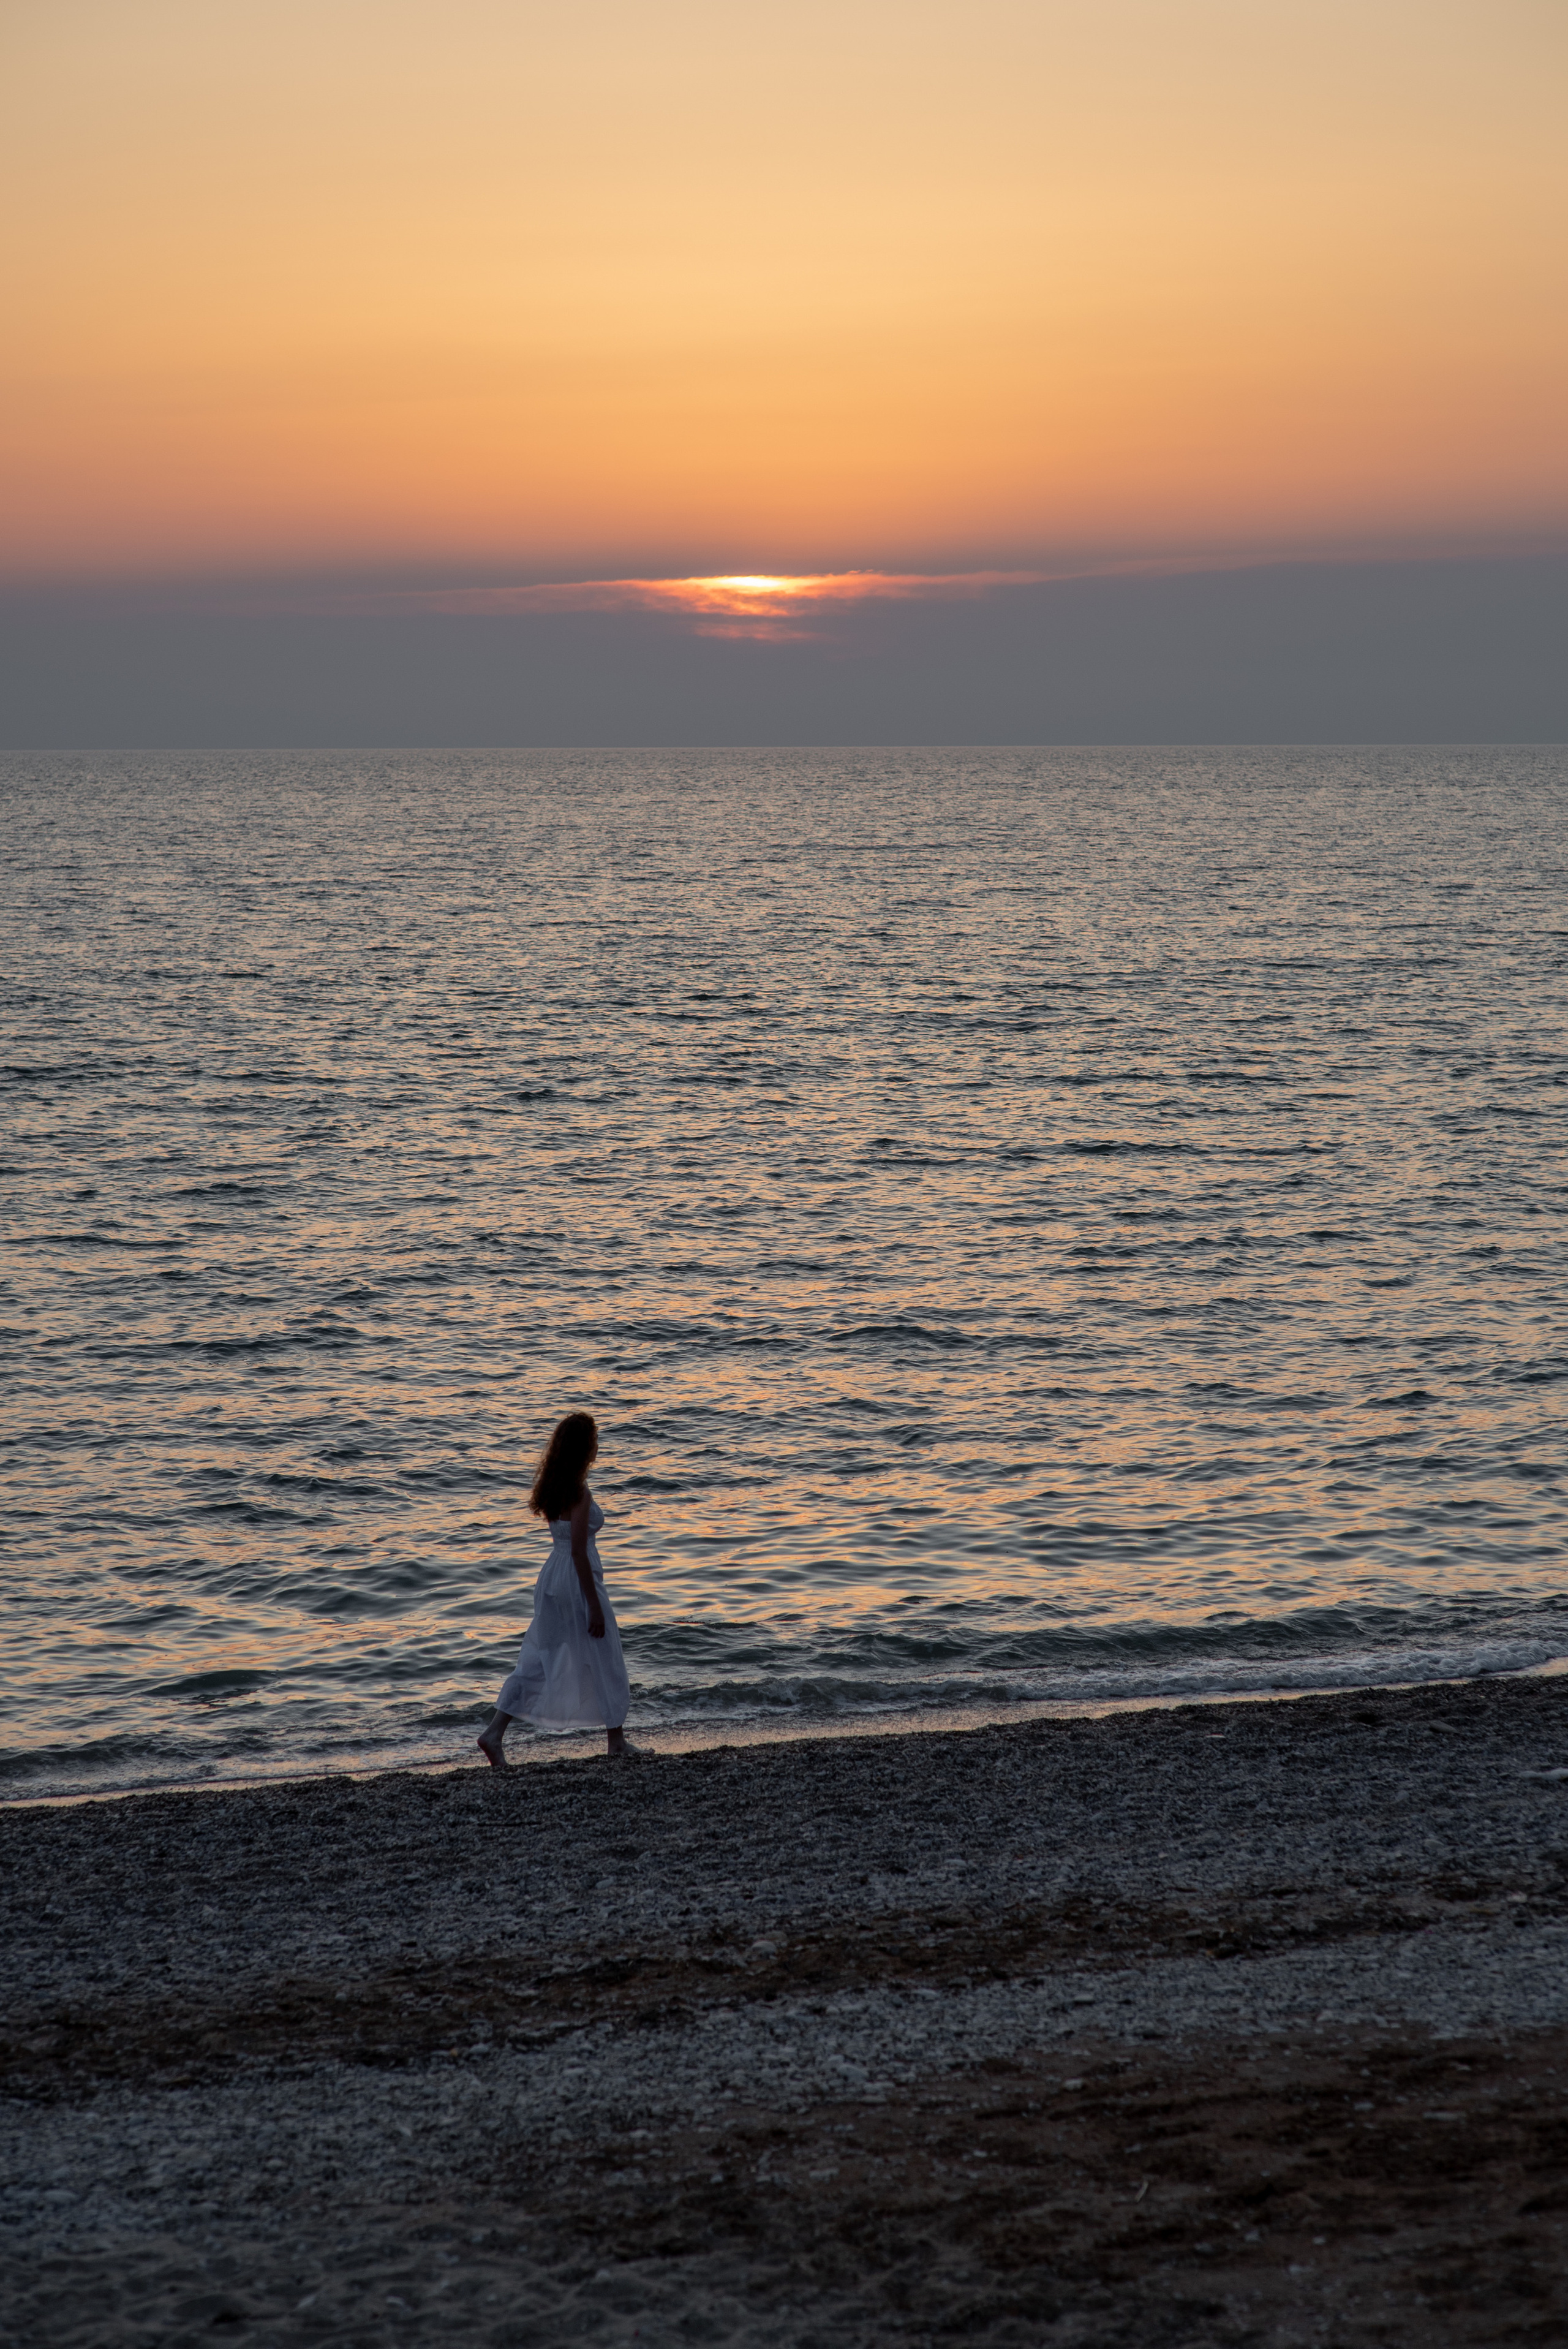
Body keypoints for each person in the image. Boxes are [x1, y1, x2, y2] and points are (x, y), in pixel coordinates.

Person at [477, 1410, 640, 1763]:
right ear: (584, 1450)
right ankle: (616, 1742)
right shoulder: (579, 1493)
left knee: (539, 1657)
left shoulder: (553, 1486)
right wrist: (594, 1605)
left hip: (552, 1576)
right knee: (606, 1655)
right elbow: (580, 1552)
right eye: (595, 1442)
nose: (598, 1447)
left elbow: (566, 1545)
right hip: (577, 1579)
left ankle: (494, 1732)